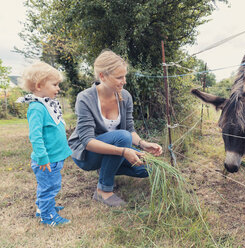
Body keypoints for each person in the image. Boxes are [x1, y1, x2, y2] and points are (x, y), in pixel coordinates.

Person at [68, 50, 163, 207]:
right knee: (123, 138)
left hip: (114, 148)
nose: (124, 81)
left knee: (148, 170)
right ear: (102, 76)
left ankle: (107, 169)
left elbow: (130, 129)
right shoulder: (85, 98)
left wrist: (144, 144)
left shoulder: (125, 96)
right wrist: (124, 152)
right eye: (119, 77)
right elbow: (87, 141)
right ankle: (103, 190)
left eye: (124, 76)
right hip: (87, 155)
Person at [17, 61, 72, 226]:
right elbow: (35, 136)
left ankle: (43, 207)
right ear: (40, 85)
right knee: (50, 187)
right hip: (47, 159)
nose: (58, 88)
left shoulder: (48, 105)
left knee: (47, 185)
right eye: (55, 84)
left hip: (55, 157)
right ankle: (48, 216)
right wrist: (42, 157)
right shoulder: (37, 108)